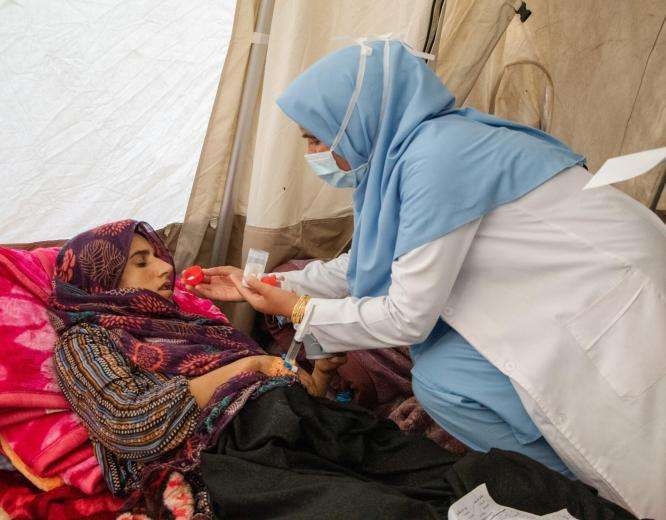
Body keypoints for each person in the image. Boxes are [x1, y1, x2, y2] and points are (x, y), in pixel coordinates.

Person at [194, 39, 666, 518]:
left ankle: (591, 491)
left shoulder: (437, 157)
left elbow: (407, 316)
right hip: (545, 295)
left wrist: (296, 311)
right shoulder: (400, 164)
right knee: (445, 377)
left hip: (605, 289)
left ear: (355, 122)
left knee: (625, 437)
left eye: (318, 138)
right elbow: (364, 268)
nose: (315, 154)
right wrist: (270, 285)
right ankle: (567, 489)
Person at [49, 220, 637, 519]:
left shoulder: (192, 322)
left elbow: (284, 385)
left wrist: (319, 376)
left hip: (306, 420)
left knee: (488, 476)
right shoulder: (87, 341)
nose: (162, 268)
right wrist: (252, 362)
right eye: (140, 262)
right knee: (391, 516)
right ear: (98, 281)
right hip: (233, 456)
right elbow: (131, 422)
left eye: (157, 254)